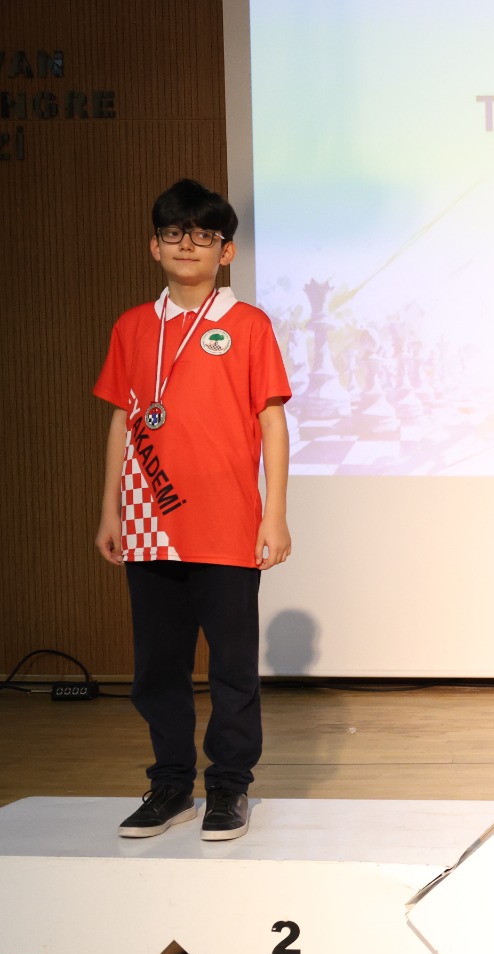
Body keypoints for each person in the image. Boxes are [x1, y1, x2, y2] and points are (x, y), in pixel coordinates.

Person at [93, 178, 292, 842]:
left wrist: (274, 514)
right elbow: (123, 421)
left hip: (228, 524)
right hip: (149, 521)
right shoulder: (132, 326)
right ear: (155, 246)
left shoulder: (248, 325)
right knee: (157, 666)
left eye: (203, 235)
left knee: (232, 667)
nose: (188, 245)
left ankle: (228, 788)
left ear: (225, 251)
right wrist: (111, 511)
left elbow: (271, 422)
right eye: (174, 233)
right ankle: (171, 785)